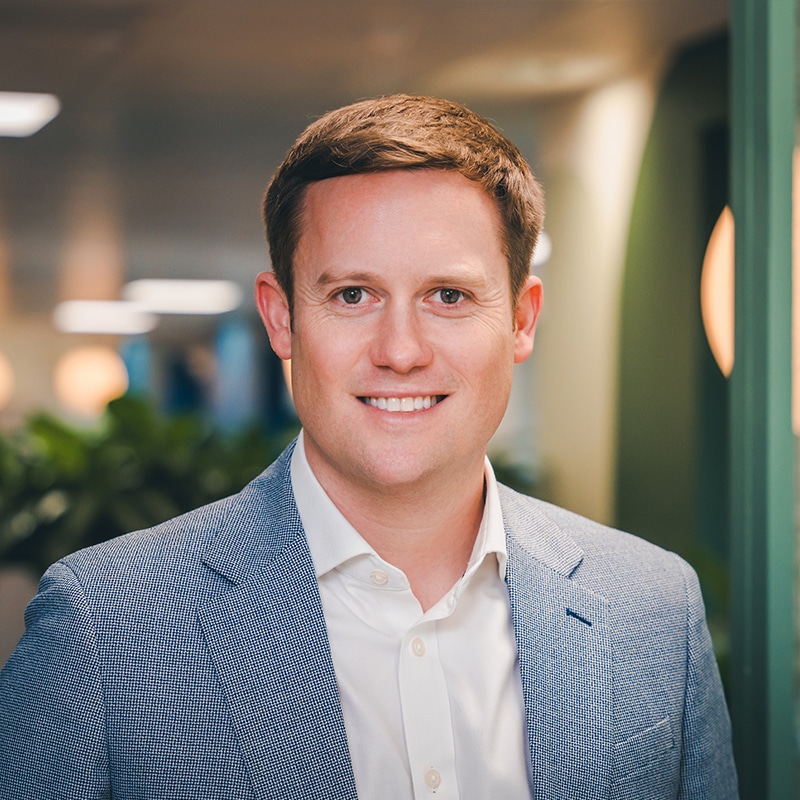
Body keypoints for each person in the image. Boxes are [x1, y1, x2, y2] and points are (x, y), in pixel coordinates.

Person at [0, 94, 737, 799]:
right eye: (353, 295)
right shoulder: (106, 628)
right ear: (282, 318)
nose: (401, 350)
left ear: (521, 318)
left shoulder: (651, 607)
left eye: (448, 295)